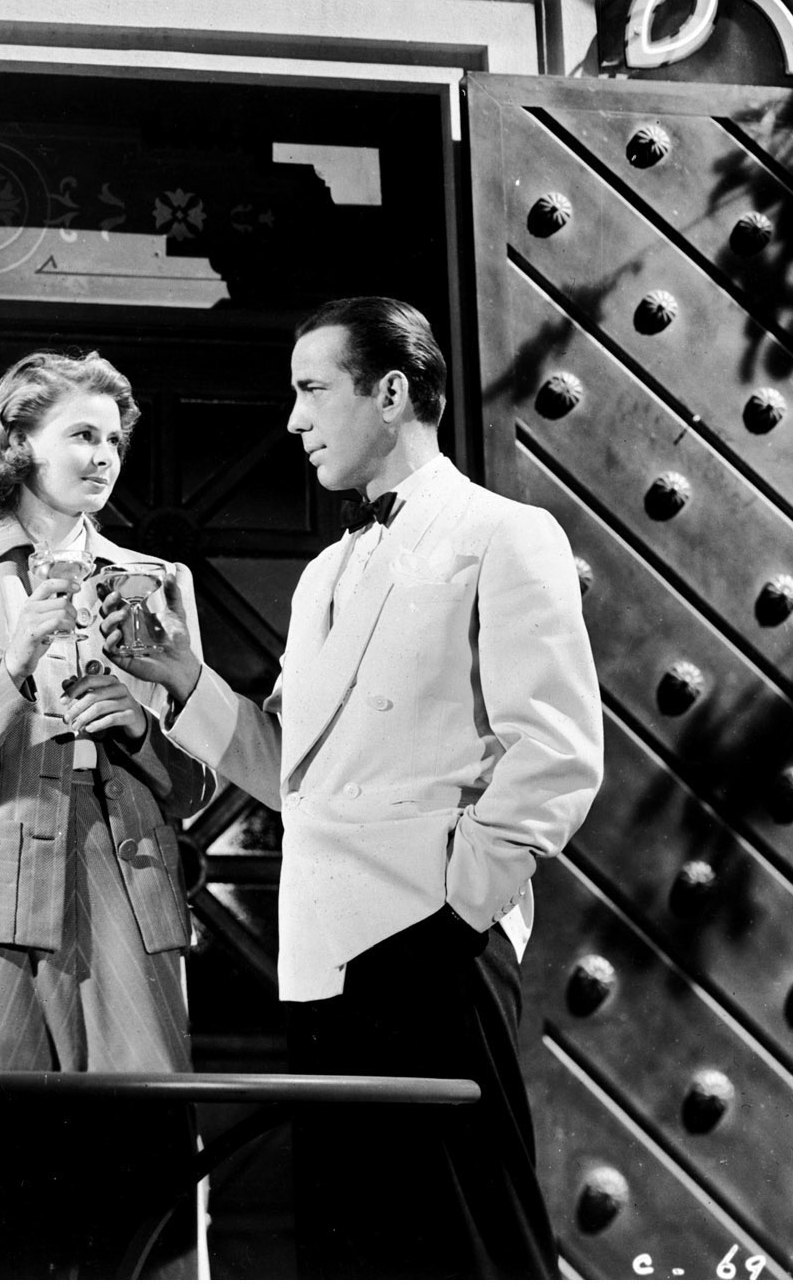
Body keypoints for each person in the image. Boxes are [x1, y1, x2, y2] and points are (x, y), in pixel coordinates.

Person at [111, 296, 603, 1278]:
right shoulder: (325, 574)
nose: (293, 420)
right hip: (324, 955)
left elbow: (555, 753)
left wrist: (454, 913)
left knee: (470, 1245)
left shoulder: (505, 535)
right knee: (352, 1249)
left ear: (390, 393)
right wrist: (183, 681)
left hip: (434, 951)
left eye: (311, 390)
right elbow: (295, 774)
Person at [0, 349, 216, 1073]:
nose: (104, 457)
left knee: (135, 1135)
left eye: (113, 441)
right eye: (83, 436)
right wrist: (12, 670)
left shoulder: (160, 582)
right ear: (20, 441)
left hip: (130, 899)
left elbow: (197, 788)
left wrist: (139, 727)